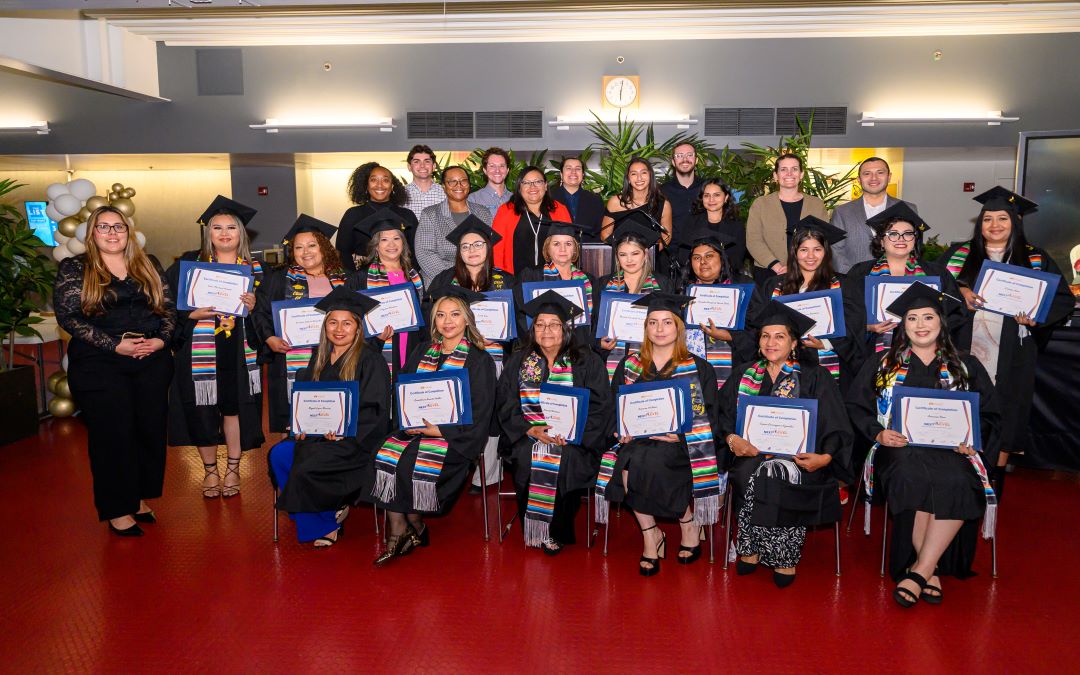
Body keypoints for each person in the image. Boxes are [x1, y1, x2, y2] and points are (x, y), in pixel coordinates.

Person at [846, 284, 1001, 604]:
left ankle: (920, 570)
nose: (920, 324)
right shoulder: (884, 363)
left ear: (941, 323)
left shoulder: (966, 365)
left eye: (928, 317)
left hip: (952, 451)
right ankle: (930, 570)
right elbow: (856, 406)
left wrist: (973, 442)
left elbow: (989, 414)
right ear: (903, 326)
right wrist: (877, 433)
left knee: (959, 480)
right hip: (899, 448)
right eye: (912, 318)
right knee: (912, 477)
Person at [54, 205, 176, 536]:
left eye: (118, 227)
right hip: (99, 364)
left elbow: (167, 309)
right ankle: (117, 509)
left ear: (129, 232)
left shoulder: (148, 264)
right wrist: (114, 345)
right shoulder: (75, 268)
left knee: (147, 433)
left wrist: (162, 342)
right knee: (113, 437)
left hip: (150, 362)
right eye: (103, 227)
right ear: (92, 233)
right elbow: (69, 318)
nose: (111, 233)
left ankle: (136, 498)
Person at [941, 187, 1074, 485]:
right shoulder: (958, 255)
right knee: (963, 412)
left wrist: (1037, 316)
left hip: (1013, 353)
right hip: (965, 348)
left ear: (1015, 222)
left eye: (1002, 218)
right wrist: (960, 290)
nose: (995, 225)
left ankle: (992, 491)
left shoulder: (1035, 257)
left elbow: (1062, 299)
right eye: (988, 219)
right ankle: (956, 484)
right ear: (980, 224)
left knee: (1006, 416)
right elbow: (935, 293)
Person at [719, 302, 853, 587]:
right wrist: (732, 439)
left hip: (800, 457)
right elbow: (722, 417)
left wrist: (826, 458)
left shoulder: (815, 376)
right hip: (751, 452)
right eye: (765, 336)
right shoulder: (744, 374)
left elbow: (836, 422)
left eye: (779, 336)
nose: (771, 342)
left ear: (794, 343)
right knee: (745, 472)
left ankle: (783, 555)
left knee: (779, 472)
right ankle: (750, 547)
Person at [596, 292, 724, 576]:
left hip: (682, 444)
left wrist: (682, 436)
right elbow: (615, 407)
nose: (660, 329)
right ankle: (651, 533)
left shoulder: (698, 367)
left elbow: (711, 416)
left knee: (651, 462)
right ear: (645, 328)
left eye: (667, 322)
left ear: (679, 328)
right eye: (653, 322)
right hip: (637, 442)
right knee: (627, 464)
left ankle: (686, 523)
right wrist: (621, 431)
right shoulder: (629, 366)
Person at [369, 286, 496, 566]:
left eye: (454, 314)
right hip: (417, 430)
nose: (447, 321)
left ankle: (403, 530)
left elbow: (482, 410)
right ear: (433, 320)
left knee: (409, 461)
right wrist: (407, 421)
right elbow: (403, 391)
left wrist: (440, 431)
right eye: (440, 315)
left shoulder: (479, 360)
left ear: (466, 320)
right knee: (384, 453)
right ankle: (412, 526)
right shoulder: (422, 350)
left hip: (454, 439)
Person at [268, 288, 391, 547]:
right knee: (279, 454)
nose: (339, 329)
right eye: (333, 322)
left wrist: (345, 431)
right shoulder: (319, 358)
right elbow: (307, 403)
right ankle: (318, 512)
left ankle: (324, 522)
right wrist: (299, 427)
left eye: (347, 323)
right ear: (325, 327)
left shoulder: (371, 360)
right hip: (316, 437)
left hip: (354, 442)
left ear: (358, 328)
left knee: (309, 461)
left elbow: (375, 411)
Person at [496, 292, 612, 553]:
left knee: (567, 458)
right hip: (528, 435)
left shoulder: (586, 360)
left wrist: (574, 433)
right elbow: (505, 402)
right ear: (532, 329)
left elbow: (600, 406)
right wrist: (528, 429)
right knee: (527, 456)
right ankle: (536, 526)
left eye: (554, 324)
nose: (546, 330)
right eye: (540, 324)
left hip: (575, 440)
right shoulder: (519, 360)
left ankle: (556, 530)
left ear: (565, 329)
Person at [166, 196, 264, 499]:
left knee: (234, 410)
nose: (224, 233)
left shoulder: (257, 271)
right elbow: (167, 308)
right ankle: (210, 472)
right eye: (217, 227)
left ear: (241, 234)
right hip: (199, 353)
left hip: (239, 353)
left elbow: (269, 316)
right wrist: (190, 315)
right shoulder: (187, 267)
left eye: (231, 228)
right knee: (202, 411)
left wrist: (255, 305)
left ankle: (233, 469)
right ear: (208, 232)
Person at [427, 216, 516, 493]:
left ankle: (486, 474)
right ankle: (453, 465)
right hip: (456, 359)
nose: (472, 250)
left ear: (488, 248)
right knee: (457, 411)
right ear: (458, 252)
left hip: (493, 358)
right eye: (465, 246)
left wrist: (504, 335)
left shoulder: (507, 282)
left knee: (487, 415)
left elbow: (520, 326)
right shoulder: (444, 280)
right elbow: (434, 320)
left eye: (478, 244)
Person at [253, 215, 348, 434]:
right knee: (295, 425)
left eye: (312, 245)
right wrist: (270, 338)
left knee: (334, 421)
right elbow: (260, 311)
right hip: (293, 360)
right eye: (299, 247)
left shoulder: (345, 278)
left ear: (324, 247)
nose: (306, 252)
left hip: (337, 358)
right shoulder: (278, 279)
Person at [751, 217, 863, 389]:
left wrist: (826, 343)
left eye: (817, 249)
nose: (810, 256)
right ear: (794, 253)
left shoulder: (844, 286)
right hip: (780, 363)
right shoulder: (774, 285)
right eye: (804, 250)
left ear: (826, 252)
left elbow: (855, 327)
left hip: (826, 365)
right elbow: (757, 322)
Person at [845, 202, 967, 355]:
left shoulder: (935, 273)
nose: (901, 239)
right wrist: (867, 326)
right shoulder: (860, 273)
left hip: (926, 354)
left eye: (908, 233)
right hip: (871, 354)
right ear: (881, 241)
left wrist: (931, 327)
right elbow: (847, 315)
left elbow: (957, 312)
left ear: (915, 239)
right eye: (893, 234)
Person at [345, 208, 426, 382]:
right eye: (384, 240)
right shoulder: (360, 278)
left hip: (410, 343)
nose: (392, 244)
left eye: (397, 238)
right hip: (377, 347)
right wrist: (374, 338)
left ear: (403, 243)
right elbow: (351, 318)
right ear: (375, 245)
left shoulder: (414, 276)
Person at [678, 229, 756, 388]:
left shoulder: (744, 288)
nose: (703, 262)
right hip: (690, 368)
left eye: (709, 256)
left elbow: (759, 329)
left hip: (734, 368)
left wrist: (729, 336)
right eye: (696, 258)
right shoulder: (681, 290)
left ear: (722, 258)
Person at [598, 213, 671, 379]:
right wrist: (599, 343)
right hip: (611, 359)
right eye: (623, 255)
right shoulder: (604, 284)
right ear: (617, 257)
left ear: (645, 254)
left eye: (635, 254)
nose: (629, 260)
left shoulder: (662, 284)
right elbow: (595, 323)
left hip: (652, 357)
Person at [745, 154, 828, 283]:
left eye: (794, 169)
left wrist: (803, 265)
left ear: (801, 174)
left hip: (809, 273)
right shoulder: (760, 204)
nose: (789, 173)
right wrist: (777, 266)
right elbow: (753, 240)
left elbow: (823, 240)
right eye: (783, 169)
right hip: (769, 272)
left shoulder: (816, 204)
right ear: (775, 176)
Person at [515, 220, 598, 349]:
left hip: (579, 349)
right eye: (556, 244)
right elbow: (522, 318)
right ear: (547, 248)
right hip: (542, 348)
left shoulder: (588, 280)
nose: (563, 249)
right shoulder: (531, 276)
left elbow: (594, 321)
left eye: (568, 244)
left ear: (575, 249)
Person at [830, 157, 917, 274]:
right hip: (854, 283)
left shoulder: (907, 209)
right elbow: (836, 250)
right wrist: (853, 277)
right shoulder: (842, 212)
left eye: (880, 172)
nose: (874, 178)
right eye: (867, 174)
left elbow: (914, 247)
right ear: (859, 179)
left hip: (897, 281)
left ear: (889, 177)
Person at [414, 165, 493, 287]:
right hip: (443, 283)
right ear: (444, 186)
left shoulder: (483, 213)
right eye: (452, 182)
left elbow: (489, 248)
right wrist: (456, 280)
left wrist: (476, 277)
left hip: (479, 282)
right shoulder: (431, 214)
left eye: (463, 181)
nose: (459, 185)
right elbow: (425, 253)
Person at [336, 162, 418, 272]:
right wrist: (354, 280)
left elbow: (416, 252)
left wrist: (408, 275)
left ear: (392, 185)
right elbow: (343, 252)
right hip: (362, 276)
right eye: (373, 180)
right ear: (366, 185)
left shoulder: (407, 215)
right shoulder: (352, 215)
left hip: (399, 276)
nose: (379, 185)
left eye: (385, 180)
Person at [601, 157, 674, 279]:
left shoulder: (663, 204)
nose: (639, 178)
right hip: (622, 264)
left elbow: (666, 236)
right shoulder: (616, 202)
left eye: (643, 173)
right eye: (634, 174)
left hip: (651, 263)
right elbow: (605, 234)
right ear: (628, 179)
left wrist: (648, 254)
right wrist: (626, 254)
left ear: (650, 176)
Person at [491, 165, 572, 274]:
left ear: (545, 185)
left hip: (553, 277)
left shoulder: (559, 210)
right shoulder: (506, 211)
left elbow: (569, 246)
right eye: (526, 183)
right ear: (519, 187)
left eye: (538, 182)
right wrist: (500, 278)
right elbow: (497, 249)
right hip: (515, 279)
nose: (532, 186)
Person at [677, 178, 747, 274]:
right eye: (706, 195)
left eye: (717, 195)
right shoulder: (692, 221)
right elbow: (683, 255)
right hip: (696, 276)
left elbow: (737, 260)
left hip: (727, 277)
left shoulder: (736, 224)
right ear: (702, 198)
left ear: (726, 197)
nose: (711, 200)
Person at [549, 156, 605, 241]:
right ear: (561, 174)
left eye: (578, 169)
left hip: (587, 251)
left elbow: (599, 232)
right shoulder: (548, 198)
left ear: (582, 174)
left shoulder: (595, 200)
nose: (573, 172)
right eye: (569, 168)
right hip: (557, 251)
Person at [660, 142, 705, 224]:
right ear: (673, 162)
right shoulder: (662, 192)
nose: (685, 159)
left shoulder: (707, 188)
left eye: (690, 155)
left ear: (696, 160)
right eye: (679, 156)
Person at [402, 144, 446, 219]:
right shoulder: (401, 194)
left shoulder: (445, 193)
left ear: (434, 166)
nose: (422, 165)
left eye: (427, 161)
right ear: (409, 167)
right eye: (416, 162)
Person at [467, 147, 513, 215]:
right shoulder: (473, 199)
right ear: (485, 170)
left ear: (507, 170)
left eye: (502, 166)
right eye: (492, 166)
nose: (497, 170)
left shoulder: (516, 200)